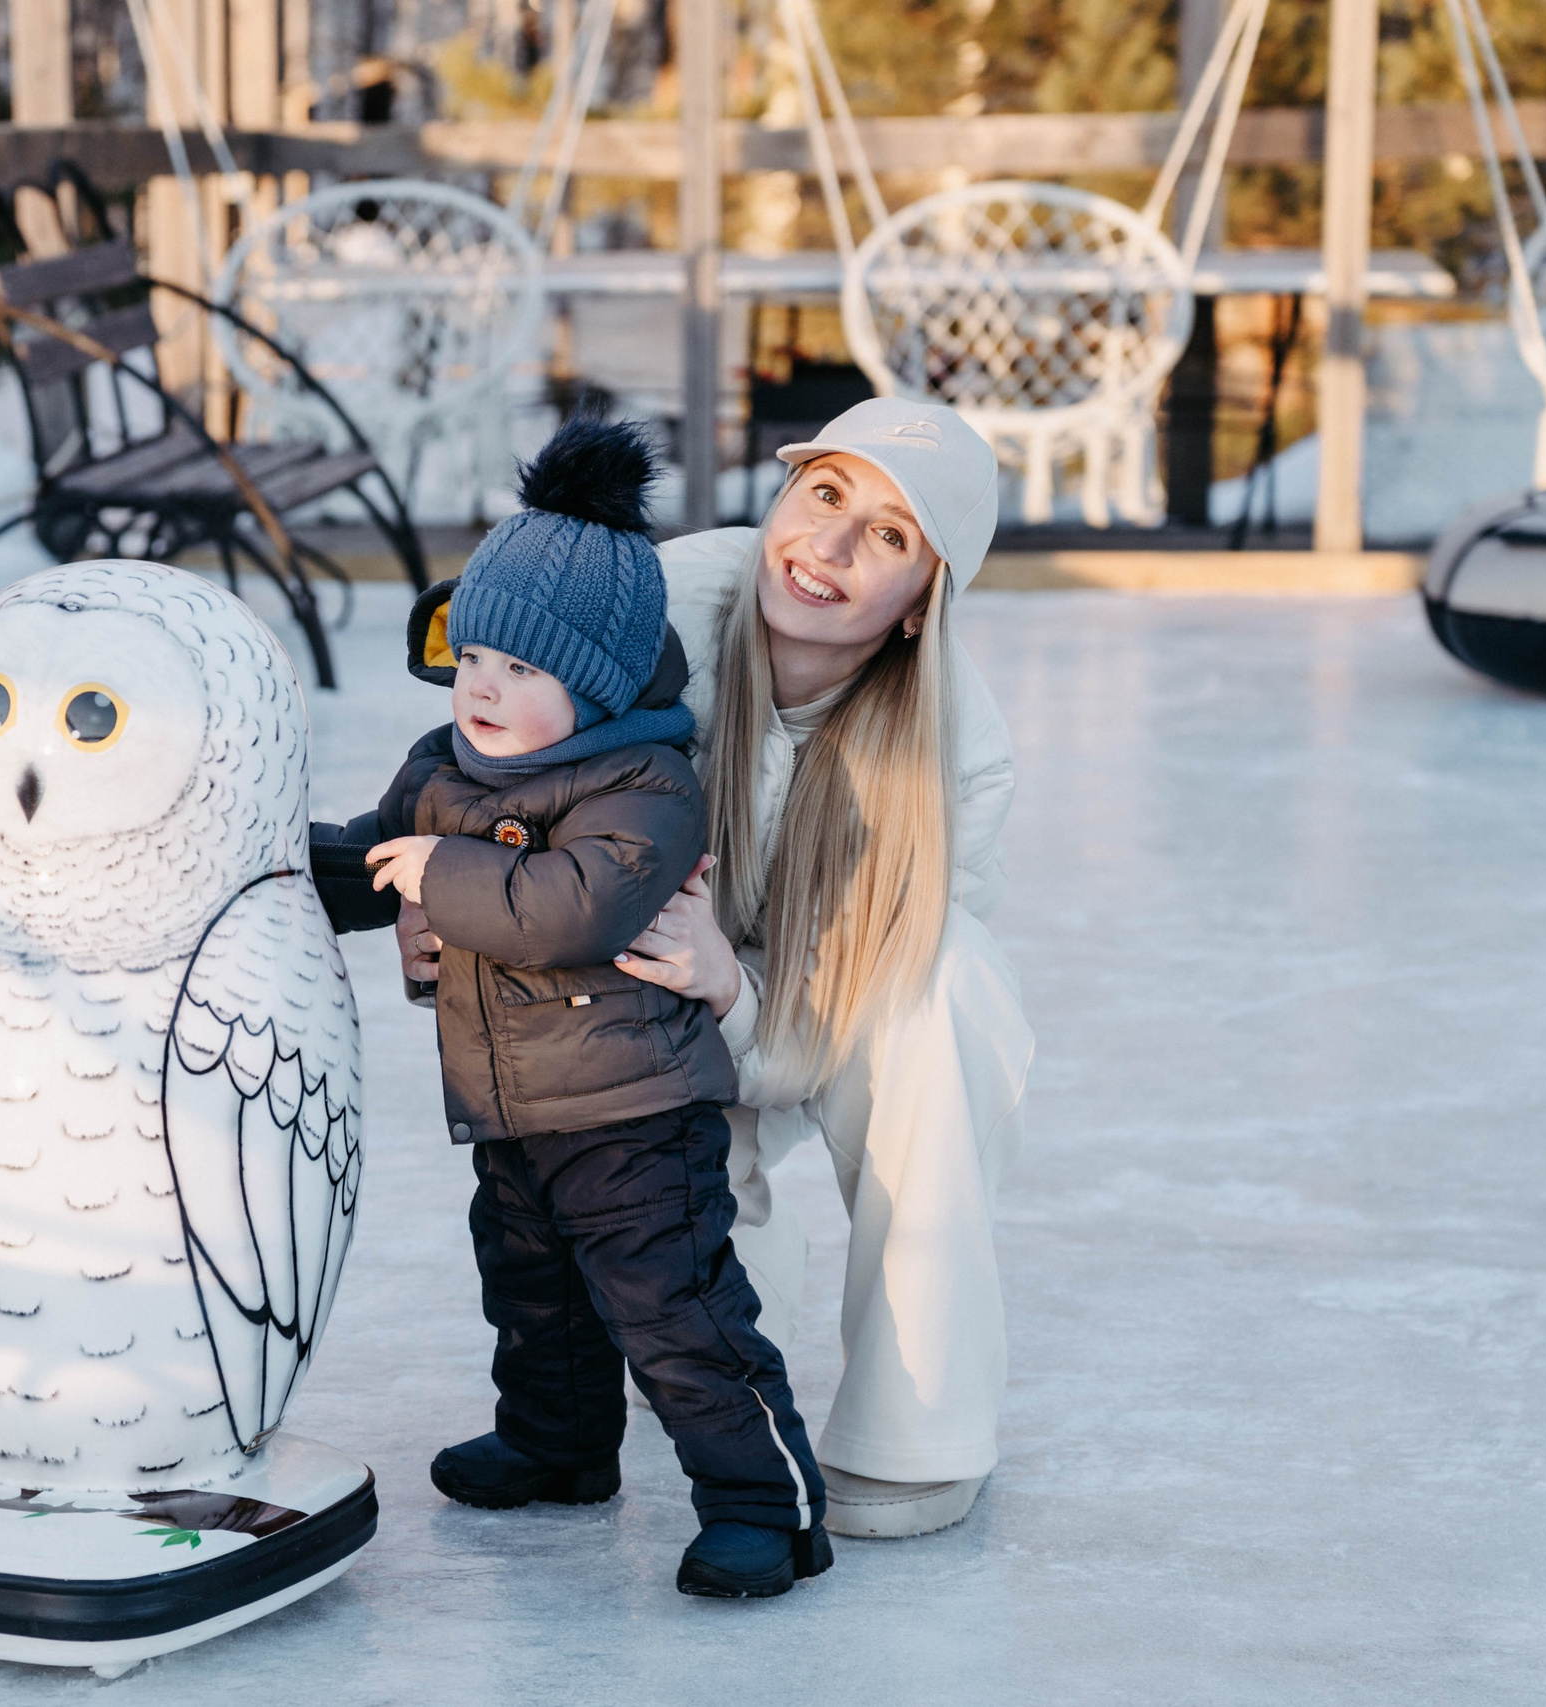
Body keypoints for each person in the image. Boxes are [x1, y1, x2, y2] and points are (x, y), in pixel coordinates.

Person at [389, 398, 1034, 1540]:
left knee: (952, 986)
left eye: (888, 536)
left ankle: (916, 1426)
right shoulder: (664, 606)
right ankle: (666, 1353)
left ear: (921, 603)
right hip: (625, 1011)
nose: (829, 547)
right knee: (674, 1326)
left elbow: (845, 1023)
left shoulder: (956, 753)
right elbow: (491, 765)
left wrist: (728, 988)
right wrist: (442, 901)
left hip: (798, 1017)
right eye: (825, 495)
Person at [350, 416, 834, 1599]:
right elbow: (373, 857)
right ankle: (559, 1450)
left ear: (599, 686)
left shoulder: (647, 787)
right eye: (471, 658)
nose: (482, 688)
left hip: (635, 1120)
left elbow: (569, 908)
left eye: (522, 671)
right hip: (513, 1109)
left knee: (674, 1315)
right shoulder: (445, 765)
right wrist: (256, 867)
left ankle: (767, 1506)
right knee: (532, 1296)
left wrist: (436, 875)